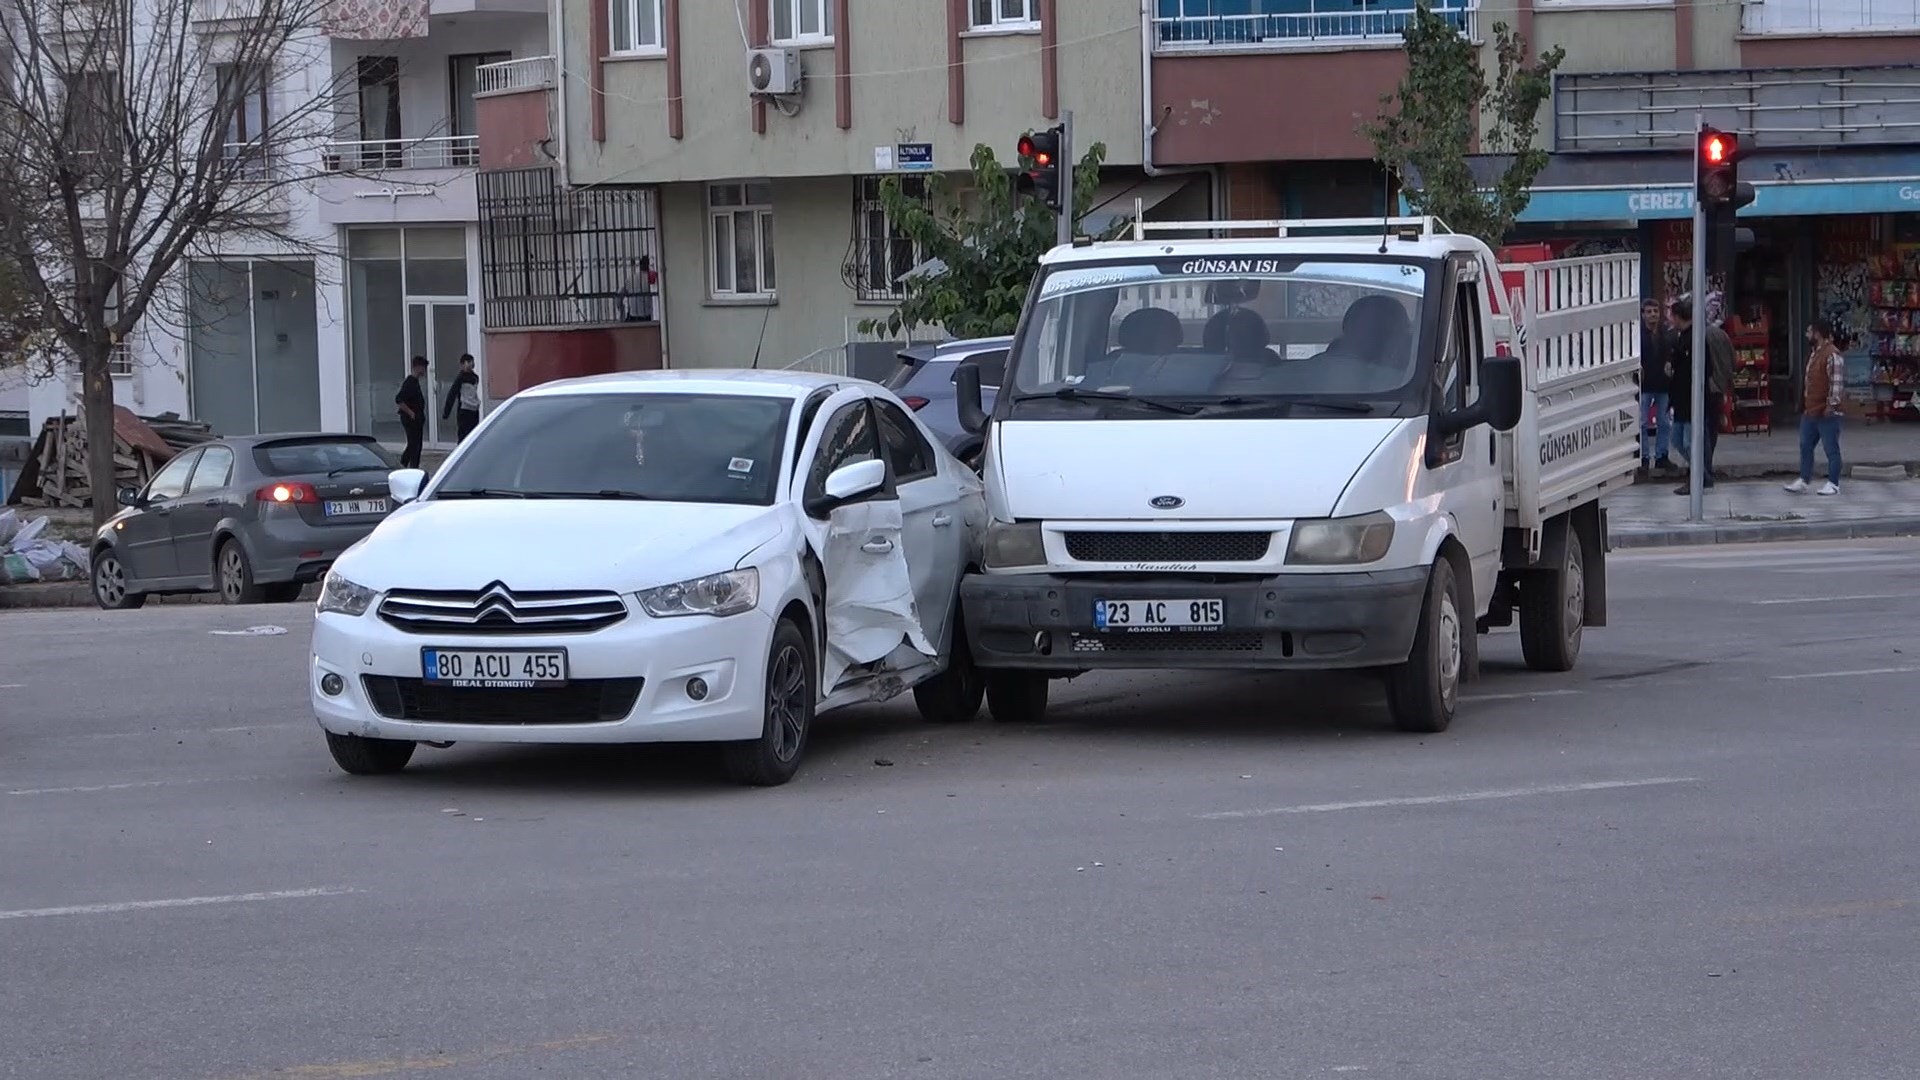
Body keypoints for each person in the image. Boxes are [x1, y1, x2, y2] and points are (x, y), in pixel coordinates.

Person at [1668, 297, 1733, 495]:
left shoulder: (1700, 337)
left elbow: (1713, 366)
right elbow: (1731, 361)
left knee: (1696, 439)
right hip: (1705, 392)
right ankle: (1702, 473)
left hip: (1703, 392)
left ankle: (1701, 474)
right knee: (1701, 437)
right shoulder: (1713, 334)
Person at [1786, 318, 1846, 496]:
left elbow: (1836, 384)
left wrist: (1831, 405)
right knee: (1805, 445)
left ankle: (1833, 483)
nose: (1807, 335)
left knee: (1831, 449)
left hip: (1827, 412)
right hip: (1811, 410)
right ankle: (1804, 479)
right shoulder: (1815, 353)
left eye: (1809, 331)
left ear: (1818, 334)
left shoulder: (1832, 355)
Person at [1639, 298, 1675, 474]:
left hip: (1663, 384)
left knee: (1664, 423)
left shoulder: (1666, 333)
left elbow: (1671, 354)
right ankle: (1643, 458)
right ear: (1643, 314)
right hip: (1644, 385)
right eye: (1649, 311)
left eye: (1655, 311)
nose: (1653, 315)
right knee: (1642, 423)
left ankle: (1661, 456)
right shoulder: (1637, 335)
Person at [394, 356, 428, 469]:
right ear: (417, 367)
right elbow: (399, 399)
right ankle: (406, 466)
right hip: (410, 420)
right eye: (423, 367)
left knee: (415, 445)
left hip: (417, 420)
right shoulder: (410, 382)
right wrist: (411, 413)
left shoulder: (415, 382)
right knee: (414, 445)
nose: (424, 370)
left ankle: (409, 466)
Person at [441, 353, 481, 443]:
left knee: (473, 434)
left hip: (474, 409)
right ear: (462, 364)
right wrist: (446, 412)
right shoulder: (460, 378)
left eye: (471, 362)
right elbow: (452, 394)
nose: (469, 365)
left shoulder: (475, 378)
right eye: (467, 362)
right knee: (463, 435)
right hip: (464, 410)